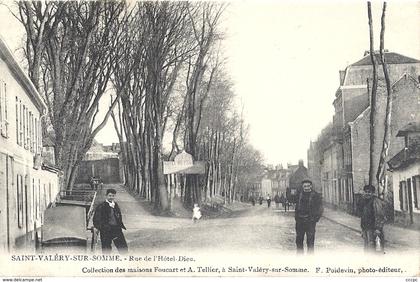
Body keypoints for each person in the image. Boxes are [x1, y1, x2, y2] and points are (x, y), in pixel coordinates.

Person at [93, 188, 128, 253]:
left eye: (113, 196)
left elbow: (119, 216)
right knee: (106, 249)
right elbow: (96, 218)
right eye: (110, 195)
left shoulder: (115, 205)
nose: (111, 197)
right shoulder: (101, 206)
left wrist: (120, 225)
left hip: (116, 229)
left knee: (123, 248)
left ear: (114, 196)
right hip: (106, 230)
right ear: (106, 196)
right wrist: (98, 227)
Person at [294, 179, 323, 254]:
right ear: (302, 187)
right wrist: (296, 217)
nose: (306, 188)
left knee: (310, 242)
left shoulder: (315, 195)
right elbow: (296, 207)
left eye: (308, 186)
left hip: (310, 222)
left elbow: (320, 208)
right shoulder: (299, 195)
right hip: (300, 222)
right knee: (299, 241)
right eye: (304, 186)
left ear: (311, 186)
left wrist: (315, 219)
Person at [359, 184, 386, 252]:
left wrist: (378, 228)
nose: (367, 193)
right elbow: (363, 216)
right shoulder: (364, 201)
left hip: (373, 228)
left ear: (373, 193)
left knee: (374, 247)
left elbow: (379, 215)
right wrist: (362, 229)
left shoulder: (376, 201)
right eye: (366, 192)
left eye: (369, 192)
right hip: (366, 228)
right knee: (367, 247)